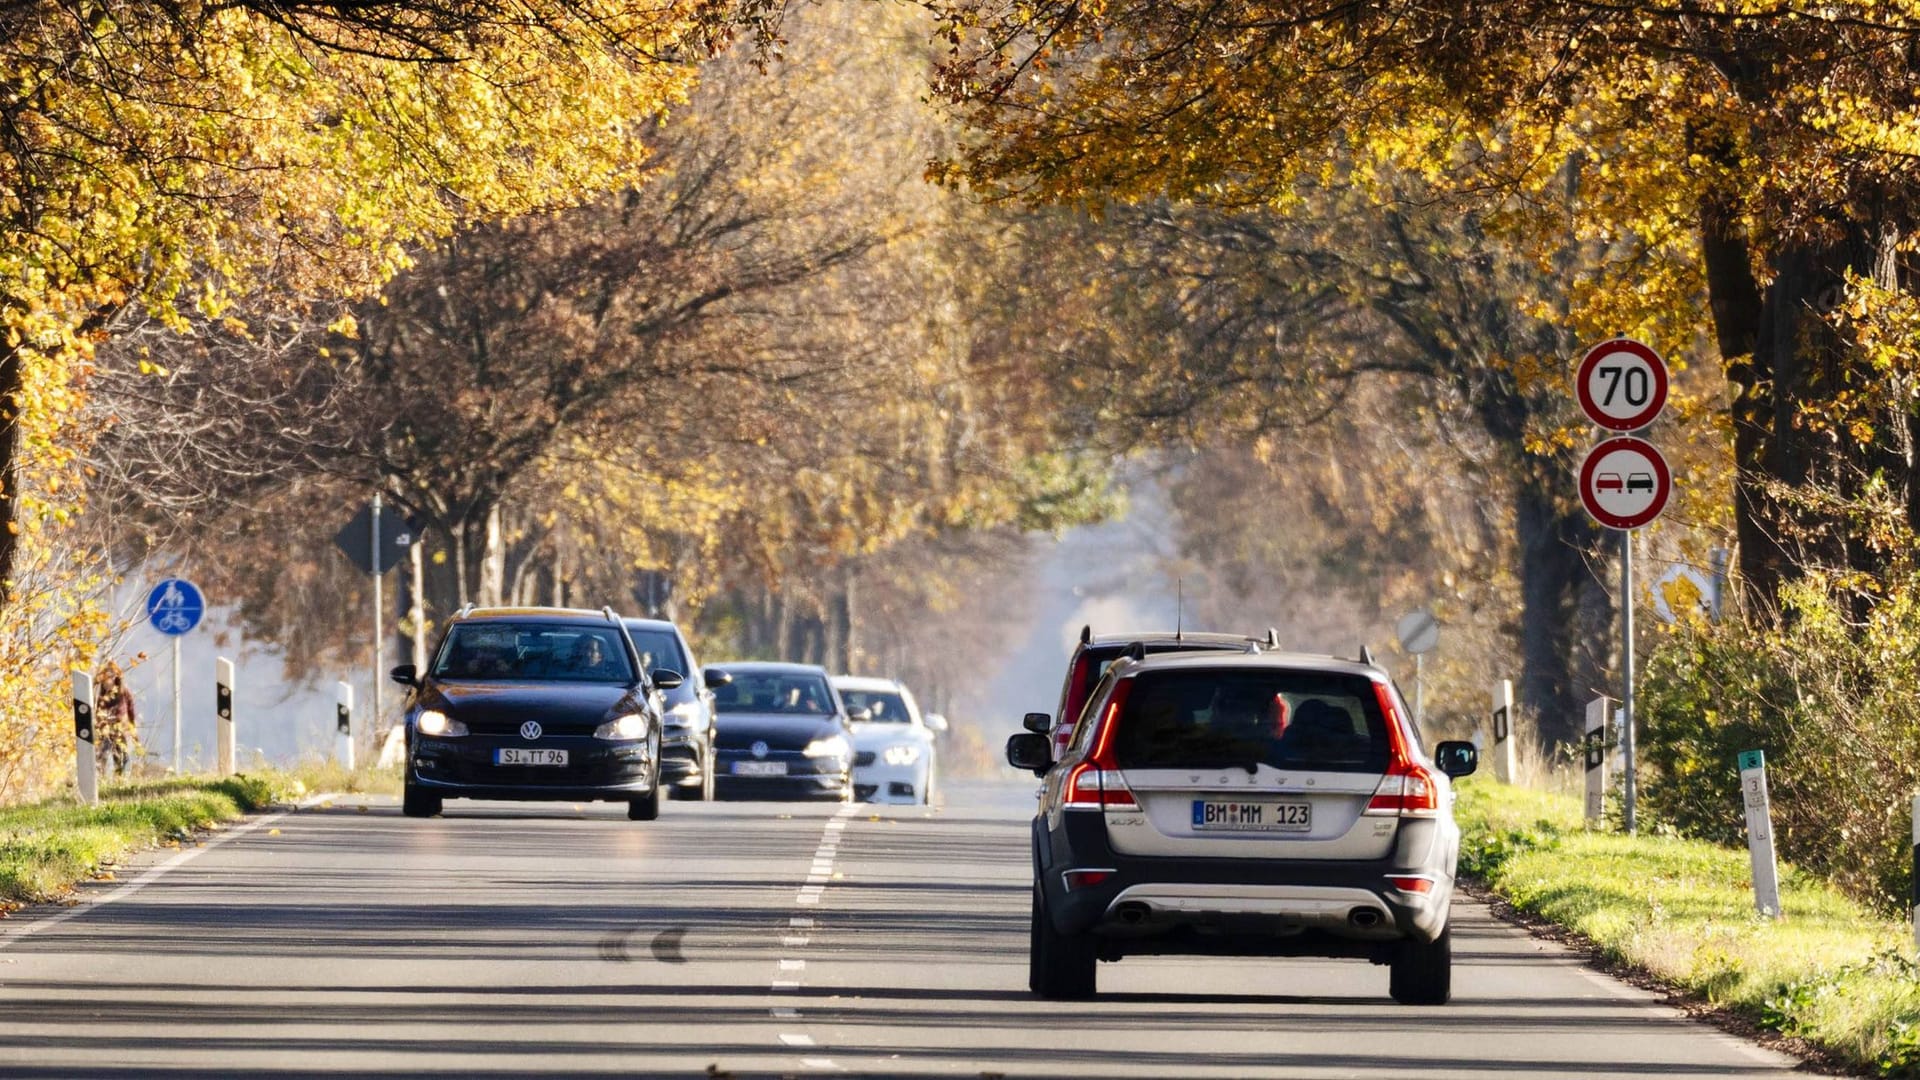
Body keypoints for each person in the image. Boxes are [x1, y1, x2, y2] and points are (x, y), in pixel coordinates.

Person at [95, 660, 138, 777]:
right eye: (103, 678)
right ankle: (101, 778)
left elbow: (131, 711)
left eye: (108, 678)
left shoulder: (124, 693)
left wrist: (133, 729)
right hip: (105, 730)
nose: (105, 682)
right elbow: (98, 713)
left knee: (121, 757)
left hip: (121, 730)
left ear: (114, 678)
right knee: (101, 756)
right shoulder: (101, 697)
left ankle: (120, 779)